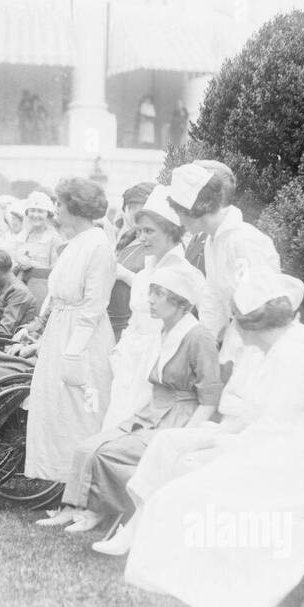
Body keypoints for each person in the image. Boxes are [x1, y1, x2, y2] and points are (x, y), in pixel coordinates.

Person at [123, 268, 304, 607]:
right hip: (275, 452)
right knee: (183, 487)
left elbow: (278, 429)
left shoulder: (294, 356)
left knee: (202, 498)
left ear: (252, 323)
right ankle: (204, 605)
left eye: (237, 322)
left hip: (295, 465)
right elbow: (261, 422)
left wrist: (226, 447)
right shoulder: (281, 349)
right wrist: (221, 441)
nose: (235, 330)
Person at [51, 263, 221, 540]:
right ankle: (75, 506)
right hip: (152, 411)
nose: (149, 300)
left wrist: (185, 437)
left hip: (179, 418)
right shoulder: (163, 331)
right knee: (87, 446)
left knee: (107, 453)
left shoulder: (198, 337)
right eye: (150, 292)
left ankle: (96, 509)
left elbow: (209, 398)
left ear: (180, 302)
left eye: (158, 294)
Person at [14, 178, 115, 500]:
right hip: (61, 333)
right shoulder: (74, 243)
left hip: (83, 341)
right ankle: (62, 490)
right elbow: (56, 295)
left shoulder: (98, 244)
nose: (56, 209)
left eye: (60, 203)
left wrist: (73, 352)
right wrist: (39, 328)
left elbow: (94, 305)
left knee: (80, 415)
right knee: (57, 413)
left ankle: (82, 497)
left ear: (76, 206)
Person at [167, 160, 279, 375]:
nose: (179, 220)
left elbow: (255, 303)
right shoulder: (212, 242)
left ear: (197, 207)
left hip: (264, 345)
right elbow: (213, 301)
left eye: (180, 211)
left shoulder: (242, 240)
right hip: (239, 344)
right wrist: (205, 348)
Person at [101, 186, 190, 434]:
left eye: (149, 231)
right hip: (131, 356)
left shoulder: (181, 272)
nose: (142, 238)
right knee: (117, 421)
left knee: (141, 427)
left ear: (171, 232)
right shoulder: (146, 269)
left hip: (157, 361)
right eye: (139, 231)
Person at [108, 181, 156, 339]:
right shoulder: (126, 238)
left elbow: (158, 288)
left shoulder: (157, 242)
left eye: (142, 208)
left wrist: (125, 275)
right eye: (131, 208)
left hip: (137, 323)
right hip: (112, 321)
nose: (136, 214)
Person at [12, 191, 63, 307]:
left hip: (41, 293)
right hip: (19, 292)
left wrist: (33, 265)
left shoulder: (54, 239)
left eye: (40, 211)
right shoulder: (21, 237)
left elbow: (57, 271)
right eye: (32, 210)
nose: (36, 215)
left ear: (48, 214)